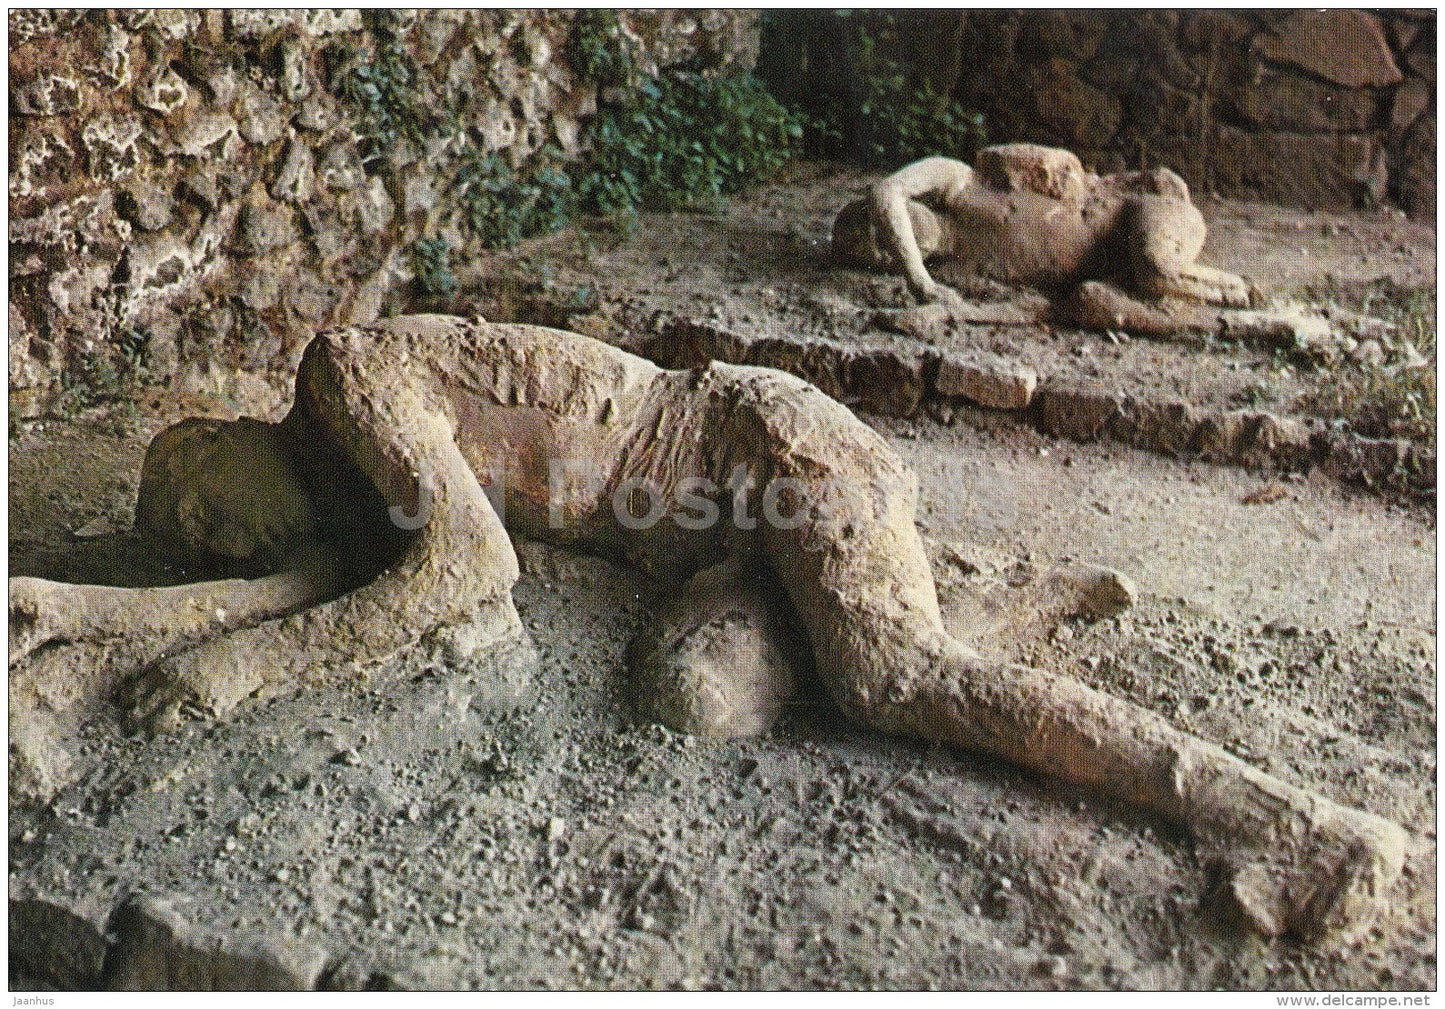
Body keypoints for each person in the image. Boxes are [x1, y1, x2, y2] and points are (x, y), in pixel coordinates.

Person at [10, 315, 1402, 943]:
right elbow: (330, 584)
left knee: (888, 679)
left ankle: (1279, 818)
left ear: (217, 445)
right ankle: (959, 584)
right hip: (703, 539)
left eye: (196, 510)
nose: (221, 541)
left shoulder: (353, 377)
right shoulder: (351, 493)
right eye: (204, 549)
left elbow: (462, 580)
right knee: (694, 698)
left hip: (755, 445)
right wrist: (92, 614)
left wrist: (241, 665)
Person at [833, 144, 1258, 334]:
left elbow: (884, 193)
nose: (891, 241)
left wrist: (919, 281)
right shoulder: (960, 276)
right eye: (881, 251)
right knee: (1105, 297)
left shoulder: (957, 181)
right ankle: (1225, 302)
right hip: (1111, 267)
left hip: (1141, 215)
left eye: (889, 229)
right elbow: (1032, 310)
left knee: (1154, 268)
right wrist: (948, 310)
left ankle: (1234, 295)